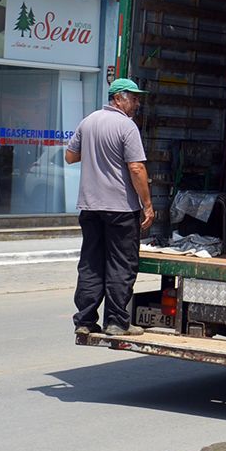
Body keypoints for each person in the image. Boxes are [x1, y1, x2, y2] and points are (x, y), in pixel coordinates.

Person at [66, 78, 154, 336]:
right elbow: (136, 168)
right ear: (118, 98)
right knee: (121, 264)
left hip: (90, 207)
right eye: (133, 97)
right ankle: (116, 322)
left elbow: (70, 156)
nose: (137, 103)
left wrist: (96, 151)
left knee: (91, 263)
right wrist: (147, 205)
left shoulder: (89, 121)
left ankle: (84, 321)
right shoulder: (127, 127)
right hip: (120, 208)